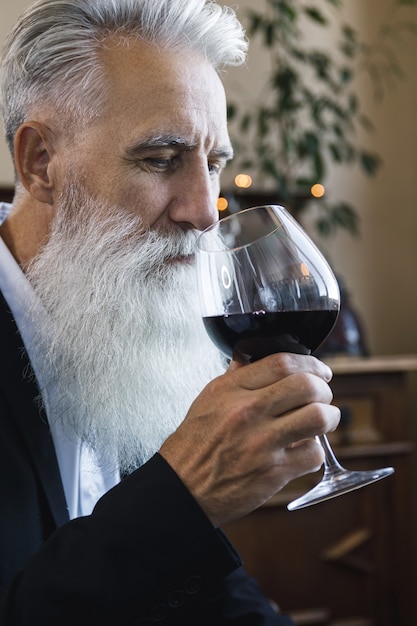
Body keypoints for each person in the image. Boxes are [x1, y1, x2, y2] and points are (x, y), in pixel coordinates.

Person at [0, 0, 341, 623]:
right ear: (40, 162)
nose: (205, 211)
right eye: (160, 160)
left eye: (213, 164)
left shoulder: (120, 312)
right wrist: (185, 495)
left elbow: (212, 599)